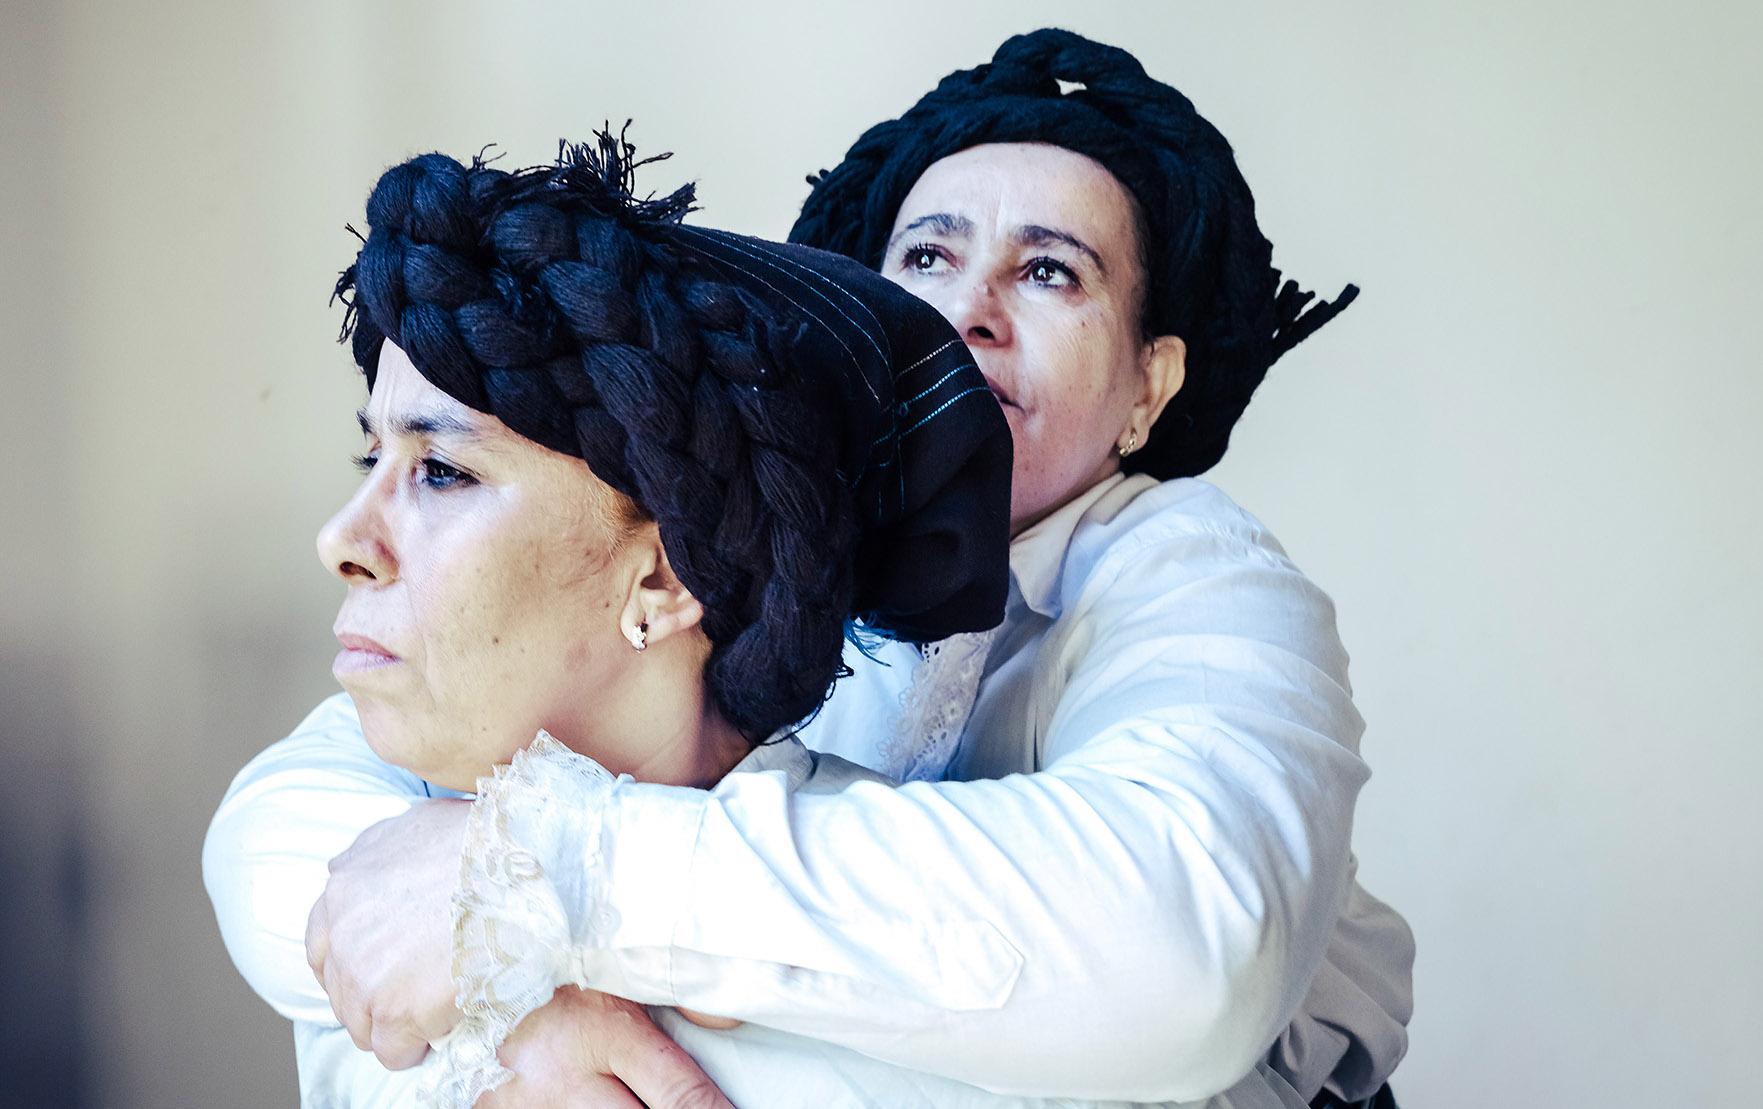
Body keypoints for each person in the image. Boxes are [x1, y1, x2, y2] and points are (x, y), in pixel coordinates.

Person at [206, 28, 1413, 1109]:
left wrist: (544, 879)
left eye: (1050, 272)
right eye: (927, 256)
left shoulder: (1195, 576)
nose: (969, 311)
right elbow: (288, 822)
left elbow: (1185, 949)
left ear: (1150, 386)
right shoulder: (735, 544)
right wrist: (519, 1005)